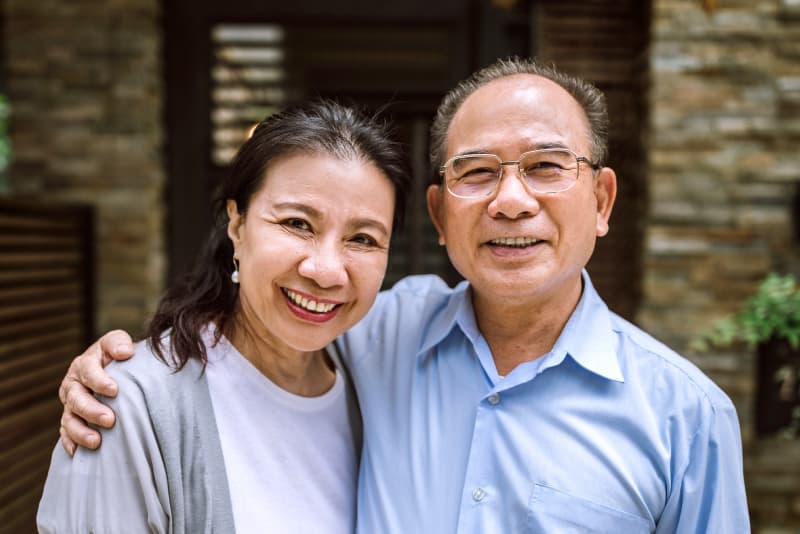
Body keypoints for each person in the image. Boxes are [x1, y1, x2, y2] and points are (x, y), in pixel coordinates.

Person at [55, 57, 750, 533]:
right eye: (477, 172)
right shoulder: (381, 335)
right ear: (442, 215)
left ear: (601, 199)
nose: (512, 202)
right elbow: (255, 327)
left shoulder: (686, 418)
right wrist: (122, 373)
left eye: (545, 167)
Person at [37, 100, 410, 533]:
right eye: (297, 223)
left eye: (363, 238)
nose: (326, 271)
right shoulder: (131, 407)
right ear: (237, 224)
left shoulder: (376, 383)